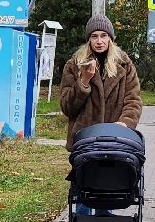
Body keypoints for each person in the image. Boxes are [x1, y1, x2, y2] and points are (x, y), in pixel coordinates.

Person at [58, 14, 143, 150]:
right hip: (85, 140)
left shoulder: (124, 65)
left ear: (110, 38)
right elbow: (67, 107)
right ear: (88, 40)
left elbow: (133, 100)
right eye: (94, 36)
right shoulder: (74, 65)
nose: (99, 41)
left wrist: (124, 123)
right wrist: (84, 80)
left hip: (116, 139)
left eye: (103, 35)